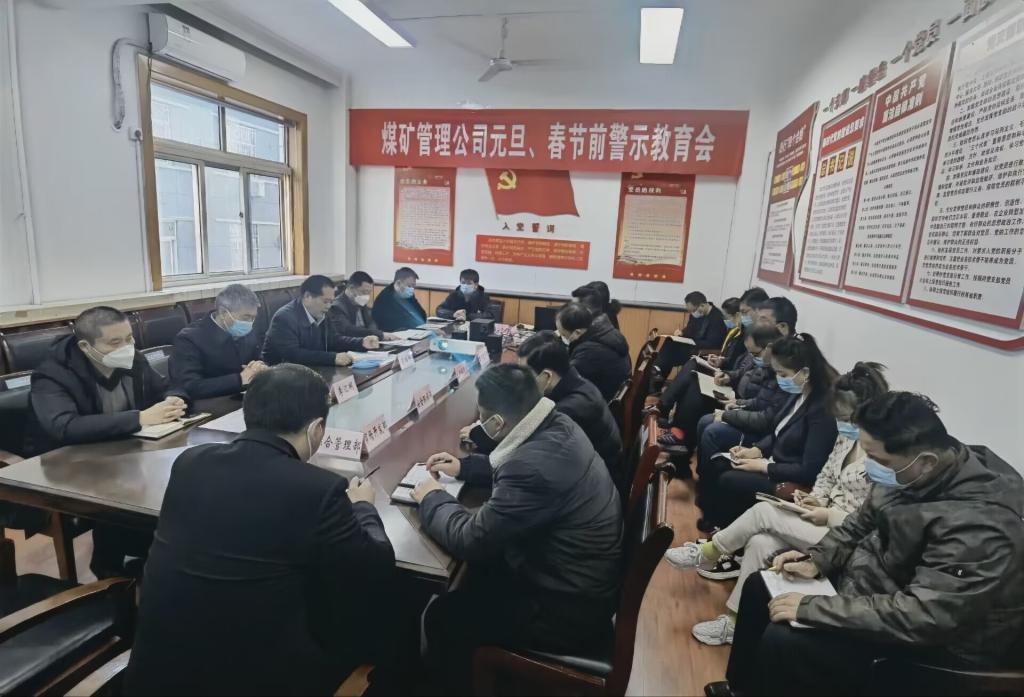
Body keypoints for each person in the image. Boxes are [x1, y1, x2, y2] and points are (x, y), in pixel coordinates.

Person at [708, 392, 1024, 697]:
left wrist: (814, 609)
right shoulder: (913, 470)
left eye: (876, 458)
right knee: (761, 585)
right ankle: (742, 688)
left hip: (937, 644)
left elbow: (927, 616)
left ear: (927, 461)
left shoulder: (982, 525)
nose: (869, 466)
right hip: (881, 592)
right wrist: (818, 559)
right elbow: (859, 523)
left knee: (787, 639)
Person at [124, 364, 395, 696]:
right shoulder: (319, 489)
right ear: (317, 429)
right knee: (383, 620)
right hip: (255, 680)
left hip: (155, 677)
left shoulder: (190, 462)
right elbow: (374, 567)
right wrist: (363, 507)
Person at [412, 364, 622, 694]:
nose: (480, 424)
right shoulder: (558, 424)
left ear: (497, 423)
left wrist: (432, 498)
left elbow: (470, 539)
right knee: (475, 574)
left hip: (561, 611)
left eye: (483, 418)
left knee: (443, 616)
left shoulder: (533, 468)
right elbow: (523, 471)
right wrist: (465, 467)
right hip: (579, 581)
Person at [665, 362, 888, 647]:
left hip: (844, 535)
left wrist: (828, 513)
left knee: (764, 512)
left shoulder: (884, 455)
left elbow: (870, 521)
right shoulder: (847, 436)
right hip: (819, 515)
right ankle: (734, 622)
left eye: (848, 416)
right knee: (760, 542)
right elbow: (827, 474)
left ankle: (709, 551)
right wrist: (817, 497)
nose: (842, 422)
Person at [25, 306, 189, 577]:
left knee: (171, 492)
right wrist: (140, 418)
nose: (127, 347)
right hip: (71, 466)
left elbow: (165, 387)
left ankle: (151, 562)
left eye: (129, 338)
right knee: (133, 499)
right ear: (86, 346)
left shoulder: (132, 359)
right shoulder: (53, 375)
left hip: (125, 452)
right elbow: (64, 426)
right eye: (115, 342)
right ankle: (113, 569)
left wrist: (175, 398)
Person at [697, 333, 839, 530]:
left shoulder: (822, 410)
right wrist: (755, 450)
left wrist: (764, 467)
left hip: (788, 475)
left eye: (783, 374)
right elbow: (777, 431)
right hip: (772, 460)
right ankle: (715, 522)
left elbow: (809, 470)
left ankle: (724, 531)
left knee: (729, 478)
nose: (779, 379)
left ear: (805, 373)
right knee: (718, 462)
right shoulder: (797, 393)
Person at [516, 331, 624, 490]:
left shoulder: (568, 411)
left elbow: (525, 459)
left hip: (590, 490)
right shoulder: (576, 382)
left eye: (525, 375)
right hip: (594, 477)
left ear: (547, 376)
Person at [657, 323, 781, 456]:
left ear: (769, 347)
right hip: (736, 398)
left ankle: (682, 437)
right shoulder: (761, 359)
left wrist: (735, 406)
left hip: (741, 406)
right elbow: (742, 372)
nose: (752, 357)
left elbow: (762, 411)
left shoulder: (777, 370)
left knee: (701, 403)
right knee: (694, 380)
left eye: (755, 353)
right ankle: (677, 429)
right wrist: (728, 376)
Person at [170, 283, 268, 400]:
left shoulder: (247, 330)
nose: (250, 323)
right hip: (210, 402)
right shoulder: (189, 339)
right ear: (223, 312)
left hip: (245, 396)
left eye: (253, 318)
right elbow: (189, 387)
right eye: (246, 317)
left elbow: (257, 358)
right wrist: (240, 379)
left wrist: (260, 367)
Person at [262, 275, 375, 367]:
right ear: (307, 296)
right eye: (325, 301)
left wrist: (361, 342)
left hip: (312, 369)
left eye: (331, 302)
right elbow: (293, 354)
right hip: (281, 376)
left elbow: (333, 340)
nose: (329, 306)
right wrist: (332, 358)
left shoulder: (323, 312)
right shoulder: (284, 318)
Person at [556, 301, 631, 400]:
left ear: (577, 332)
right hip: (607, 395)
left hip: (601, 401)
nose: (561, 338)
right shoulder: (605, 331)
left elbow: (565, 384)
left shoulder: (589, 352)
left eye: (563, 335)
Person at [652, 291, 728, 388]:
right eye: (690, 311)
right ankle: (657, 372)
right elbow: (690, 329)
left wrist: (693, 342)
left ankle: (657, 374)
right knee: (670, 341)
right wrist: (682, 333)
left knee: (668, 356)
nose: (692, 314)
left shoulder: (717, 318)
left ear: (702, 305)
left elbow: (713, 343)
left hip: (702, 350)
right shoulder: (696, 313)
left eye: (693, 311)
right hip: (691, 345)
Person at [328, 271, 398, 341]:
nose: (366, 296)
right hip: (350, 343)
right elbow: (348, 330)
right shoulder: (336, 307)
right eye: (364, 292)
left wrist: (378, 335)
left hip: (368, 342)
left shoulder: (360, 302)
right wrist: (378, 334)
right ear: (351, 288)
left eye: (369, 293)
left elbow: (371, 323)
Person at [371, 267, 426, 331]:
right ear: (398, 283)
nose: (412, 289)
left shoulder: (407, 293)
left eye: (414, 286)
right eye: (409, 286)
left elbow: (422, 314)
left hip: (409, 331)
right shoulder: (385, 297)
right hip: (390, 333)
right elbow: (389, 323)